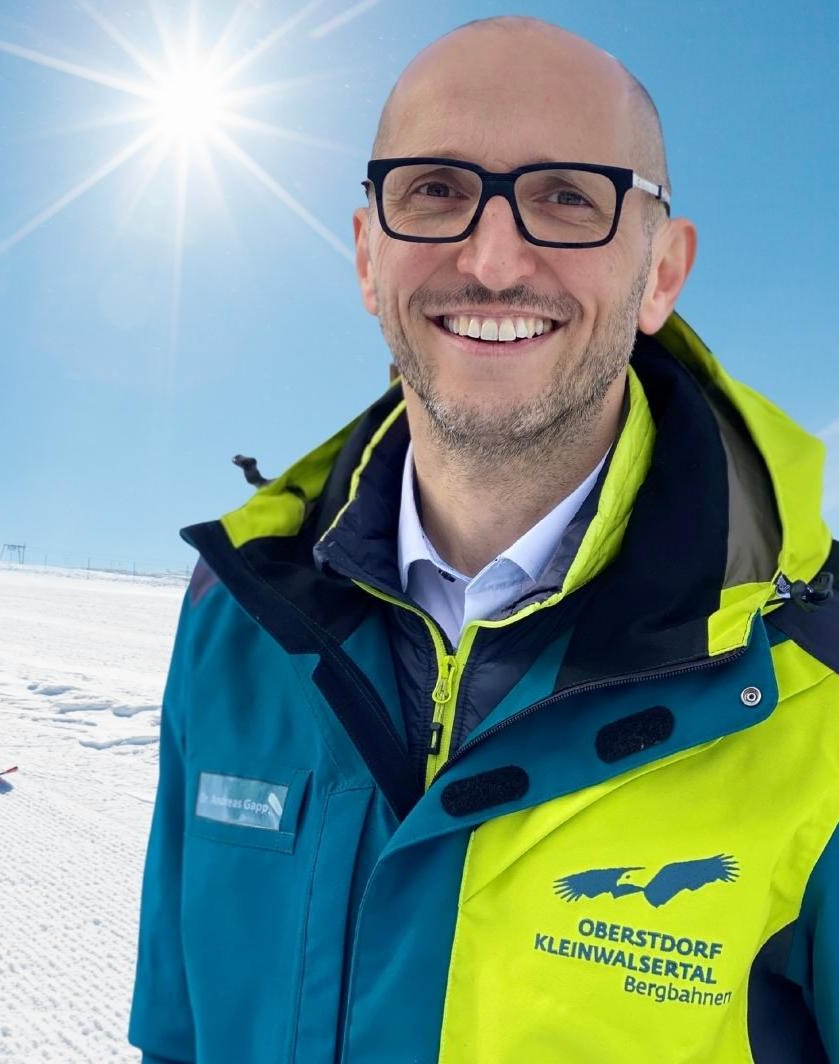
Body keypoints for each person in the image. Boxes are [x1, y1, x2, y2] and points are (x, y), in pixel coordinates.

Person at [129, 17, 839, 1062]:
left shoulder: (814, 678)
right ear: (368, 256)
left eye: (567, 196)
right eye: (435, 190)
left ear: (662, 273)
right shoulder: (233, 618)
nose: (493, 257)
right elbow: (181, 1031)